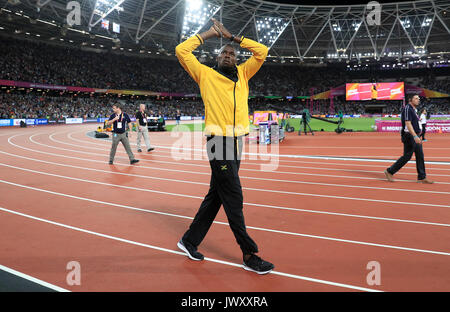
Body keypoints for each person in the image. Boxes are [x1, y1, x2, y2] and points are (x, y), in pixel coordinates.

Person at [175, 18, 274, 274]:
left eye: (232, 53)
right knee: (234, 195)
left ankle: (188, 241)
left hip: (237, 141)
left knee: (217, 195)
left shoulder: (243, 72)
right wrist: (208, 34)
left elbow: (262, 51)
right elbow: (181, 51)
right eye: (224, 53)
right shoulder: (204, 74)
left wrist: (233, 38)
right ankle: (249, 253)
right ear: (217, 58)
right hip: (218, 142)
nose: (228, 55)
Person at [384, 95, 433, 183]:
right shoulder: (407, 109)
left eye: (418, 98)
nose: (418, 100)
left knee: (419, 155)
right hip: (409, 136)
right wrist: (415, 136)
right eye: (416, 98)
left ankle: (422, 177)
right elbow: (408, 123)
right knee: (407, 156)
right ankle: (389, 171)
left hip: (415, 135)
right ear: (410, 100)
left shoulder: (414, 110)